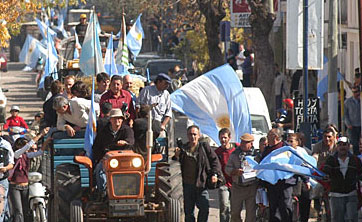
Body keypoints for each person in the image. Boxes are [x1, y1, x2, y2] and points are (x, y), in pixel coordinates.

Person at [174, 125, 221, 222]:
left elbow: (215, 161)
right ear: (187, 135)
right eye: (190, 134)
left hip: (201, 184)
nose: (193, 137)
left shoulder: (204, 147)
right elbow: (175, 165)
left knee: (204, 208)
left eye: (195, 134)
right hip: (187, 185)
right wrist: (177, 156)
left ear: (199, 135)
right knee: (188, 212)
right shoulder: (183, 149)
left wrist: (214, 174)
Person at [8, 127, 50, 222]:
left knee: (26, 210)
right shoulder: (16, 154)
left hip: (25, 187)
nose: (27, 148)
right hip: (15, 187)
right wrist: (40, 134)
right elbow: (28, 147)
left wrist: (46, 142)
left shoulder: (26, 156)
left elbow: (40, 152)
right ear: (19, 146)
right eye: (24, 146)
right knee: (19, 211)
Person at [93, 109, 134, 194]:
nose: (117, 121)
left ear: (122, 120)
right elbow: (96, 147)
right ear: (110, 120)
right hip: (108, 159)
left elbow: (131, 141)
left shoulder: (127, 130)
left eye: (119, 118)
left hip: (124, 159)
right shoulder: (104, 132)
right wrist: (101, 158)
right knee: (99, 170)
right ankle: (103, 192)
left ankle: (132, 191)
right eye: (115, 118)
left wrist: (125, 142)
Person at [322, 137, 362, 222]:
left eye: (344, 145)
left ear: (348, 146)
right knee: (337, 219)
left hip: (351, 194)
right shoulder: (331, 159)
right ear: (337, 147)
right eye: (340, 145)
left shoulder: (355, 160)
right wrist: (326, 176)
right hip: (336, 195)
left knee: (352, 219)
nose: (342, 147)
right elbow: (325, 171)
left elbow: (360, 174)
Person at [261, 128, 294, 222]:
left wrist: (306, 180)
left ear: (275, 137)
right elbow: (262, 165)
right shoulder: (267, 150)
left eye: (268, 136)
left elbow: (296, 163)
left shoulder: (287, 148)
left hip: (285, 184)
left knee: (286, 208)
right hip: (272, 185)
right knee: (273, 210)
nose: (267, 138)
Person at [225, 133, 258, 222]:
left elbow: (261, 168)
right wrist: (235, 171)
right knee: (235, 213)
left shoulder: (256, 155)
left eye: (246, 142)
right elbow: (227, 168)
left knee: (251, 215)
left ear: (251, 144)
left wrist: (256, 171)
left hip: (251, 187)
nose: (243, 144)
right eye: (242, 142)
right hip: (237, 187)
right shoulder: (235, 154)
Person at [311, 128, 336, 220]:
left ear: (334, 137)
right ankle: (318, 212)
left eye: (329, 137)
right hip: (320, 175)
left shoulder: (337, 146)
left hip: (334, 175)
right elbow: (315, 156)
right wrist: (314, 159)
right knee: (316, 189)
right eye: (325, 137)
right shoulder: (318, 146)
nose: (327, 139)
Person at [286, 133, 311, 222]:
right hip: (290, 183)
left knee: (304, 206)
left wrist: (306, 180)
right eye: (287, 141)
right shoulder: (285, 152)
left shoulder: (302, 151)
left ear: (297, 142)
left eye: (291, 141)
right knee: (292, 208)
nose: (289, 143)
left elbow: (306, 166)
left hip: (303, 182)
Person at [215, 128, 235, 222]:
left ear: (229, 138)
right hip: (223, 183)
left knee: (234, 208)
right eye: (221, 138)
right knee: (224, 206)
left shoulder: (236, 150)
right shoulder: (217, 152)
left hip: (235, 183)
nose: (223, 140)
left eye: (225, 138)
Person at [0, 136, 14, 221]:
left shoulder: (5, 145)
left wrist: (5, 168)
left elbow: (11, 163)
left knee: (1, 205)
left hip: (2, 181)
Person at [344, 85, 361, 155]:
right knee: (354, 143)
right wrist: (348, 124)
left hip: (360, 125)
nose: (356, 94)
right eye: (354, 92)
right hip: (352, 126)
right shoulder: (348, 102)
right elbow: (345, 114)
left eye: (357, 92)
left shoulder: (360, 101)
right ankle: (356, 156)